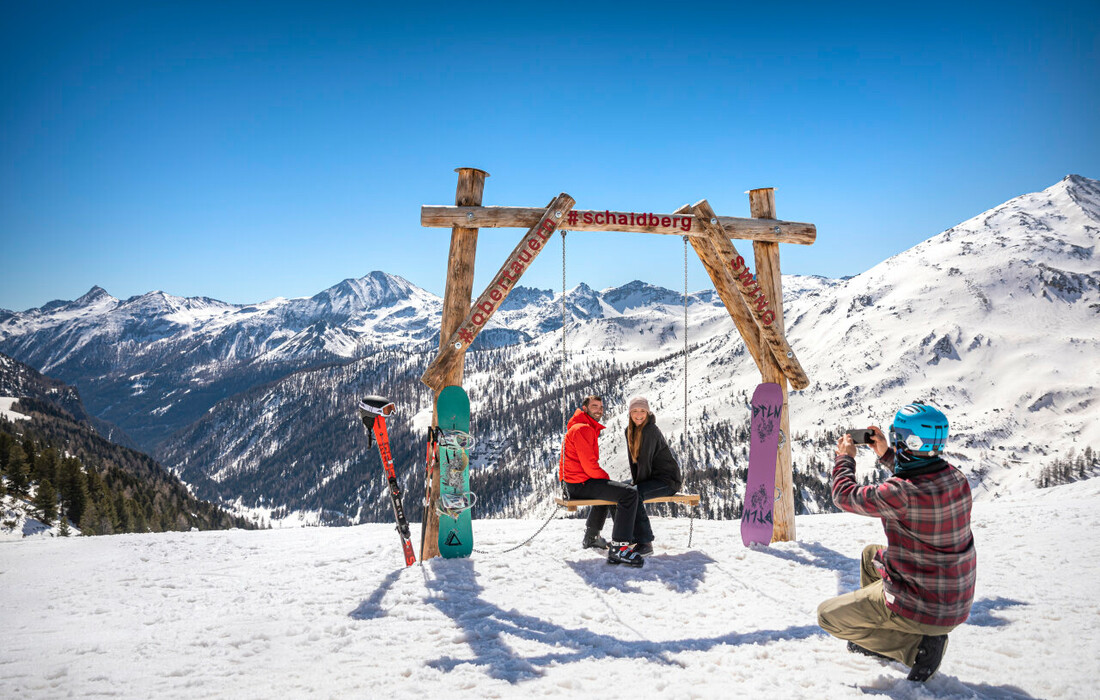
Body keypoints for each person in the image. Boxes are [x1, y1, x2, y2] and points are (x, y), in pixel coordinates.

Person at [816, 402, 977, 682]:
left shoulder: (901, 493)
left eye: (897, 437)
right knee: (871, 556)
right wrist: (886, 454)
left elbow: (844, 496)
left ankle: (913, 648)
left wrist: (845, 458)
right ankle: (887, 630)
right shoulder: (955, 478)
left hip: (924, 606)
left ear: (907, 442)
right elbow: (920, 472)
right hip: (952, 599)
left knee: (827, 616)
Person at [559, 395, 645, 567]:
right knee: (628, 494)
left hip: (573, 483)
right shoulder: (583, 429)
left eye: (601, 407)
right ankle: (620, 548)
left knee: (609, 490)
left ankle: (592, 537)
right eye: (594, 406)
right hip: (579, 484)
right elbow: (590, 466)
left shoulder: (580, 426)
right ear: (585, 409)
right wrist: (606, 480)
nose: (599, 410)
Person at [623, 396, 682, 556]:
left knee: (633, 493)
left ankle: (645, 542)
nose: (639, 414)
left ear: (648, 413)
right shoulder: (629, 431)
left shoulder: (650, 431)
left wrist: (634, 487)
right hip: (650, 478)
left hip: (667, 480)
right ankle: (626, 538)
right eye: (635, 411)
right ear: (630, 413)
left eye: (642, 411)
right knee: (619, 490)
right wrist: (632, 484)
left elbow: (645, 463)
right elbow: (634, 463)